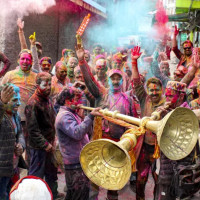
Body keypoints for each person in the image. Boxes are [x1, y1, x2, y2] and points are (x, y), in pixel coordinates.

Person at [76, 45, 139, 200]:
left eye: (118, 78)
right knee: (95, 175)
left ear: (123, 80)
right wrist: (81, 61)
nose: (116, 81)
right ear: (109, 80)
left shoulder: (128, 99)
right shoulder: (102, 94)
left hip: (118, 145)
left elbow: (132, 125)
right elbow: (90, 81)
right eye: (113, 78)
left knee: (113, 178)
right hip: (101, 142)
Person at [154, 80, 199, 200]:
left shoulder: (189, 115)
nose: (167, 100)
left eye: (171, 96)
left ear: (181, 96)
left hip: (181, 171)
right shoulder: (167, 110)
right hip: (165, 170)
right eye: (166, 96)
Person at [55, 87, 101, 200]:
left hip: (78, 162)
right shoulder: (64, 116)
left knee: (74, 195)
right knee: (79, 195)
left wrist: (82, 117)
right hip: (74, 165)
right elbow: (77, 133)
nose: (80, 103)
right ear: (67, 100)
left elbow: (85, 133)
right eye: (77, 99)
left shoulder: (71, 113)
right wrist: (90, 116)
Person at [131, 46, 165, 200]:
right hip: (145, 147)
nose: (153, 93)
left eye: (156, 89)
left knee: (160, 181)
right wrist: (133, 62)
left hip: (161, 149)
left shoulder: (167, 104)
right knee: (140, 180)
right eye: (151, 90)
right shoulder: (145, 99)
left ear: (161, 89)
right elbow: (137, 82)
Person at [25, 72, 61, 199]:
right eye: (45, 84)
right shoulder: (32, 104)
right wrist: (46, 145)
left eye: (50, 84)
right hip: (38, 148)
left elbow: (53, 118)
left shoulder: (48, 99)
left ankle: (53, 195)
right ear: (37, 85)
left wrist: (55, 139)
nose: (48, 87)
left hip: (50, 144)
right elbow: (33, 131)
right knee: (36, 177)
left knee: (52, 174)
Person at [0, 84, 25, 200]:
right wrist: (2, 103)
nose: (19, 103)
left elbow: (20, 133)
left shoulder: (15, 115)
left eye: (19, 99)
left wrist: (21, 146)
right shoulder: (2, 114)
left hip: (13, 165)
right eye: (15, 100)